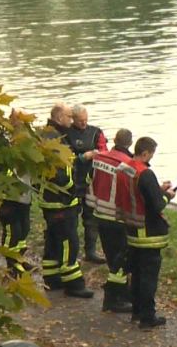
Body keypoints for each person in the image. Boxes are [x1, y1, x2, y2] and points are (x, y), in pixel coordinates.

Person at [39, 103, 92, 298]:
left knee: (53, 240)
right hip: (61, 200)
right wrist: (74, 191)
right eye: (69, 117)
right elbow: (63, 174)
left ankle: (52, 279)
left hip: (48, 199)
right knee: (69, 241)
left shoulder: (45, 134)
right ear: (60, 117)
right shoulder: (57, 141)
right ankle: (74, 284)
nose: (72, 121)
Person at [122, 137, 175, 329]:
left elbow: (138, 193)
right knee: (148, 276)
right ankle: (147, 317)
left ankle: (136, 311)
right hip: (148, 232)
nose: (151, 158)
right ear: (146, 153)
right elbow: (157, 204)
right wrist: (167, 195)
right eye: (151, 154)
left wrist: (156, 189)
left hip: (131, 227)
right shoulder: (145, 174)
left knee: (136, 272)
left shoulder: (126, 167)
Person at [86, 128, 134, 313]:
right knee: (121, 260)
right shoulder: (126, 164)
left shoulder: (99, 158)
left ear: (114, 139)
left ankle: (121, 294)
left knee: (112, 257)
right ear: (129, 143)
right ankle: (114, 298)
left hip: (99, 213)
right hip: (116, 217)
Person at [0, 107, 34, 278]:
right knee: (13, 232)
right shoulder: (3, 141)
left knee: (24, 230)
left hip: (24, 195)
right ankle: (11, 268)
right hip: (9, 196)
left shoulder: (29, 140)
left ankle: (19, 260)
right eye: (18, 119)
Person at [67, 104, 108, 264]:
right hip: (73, 182)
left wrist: (99, 154)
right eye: (80, 121)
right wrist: (83, 157)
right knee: (72, 219)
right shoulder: (66, 133)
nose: (84, 123)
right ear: (73, 119)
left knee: (91, 219)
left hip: (92, 182)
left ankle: (90, 252)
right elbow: (64, 157)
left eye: (86, 120)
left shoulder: (95, 132)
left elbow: (104, 151)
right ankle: (71, 251)